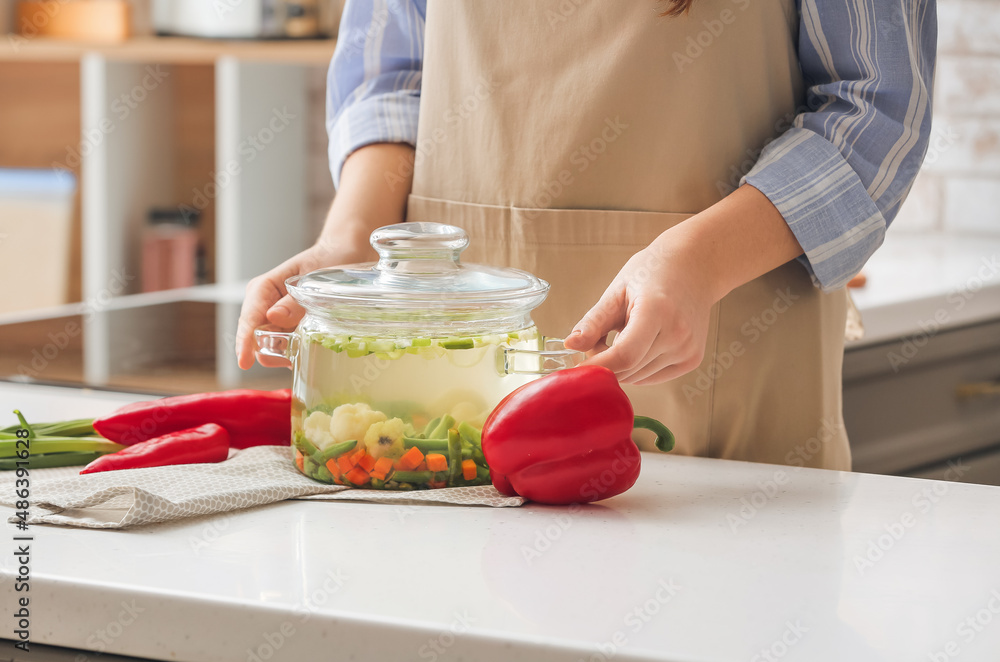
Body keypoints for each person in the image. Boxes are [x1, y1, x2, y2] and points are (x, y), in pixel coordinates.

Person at [236, 0, 936, 471]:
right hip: (454, 435)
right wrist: (353, 237)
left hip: (730, 413)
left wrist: (697, 261)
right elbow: (389, 79)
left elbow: (876, 112)